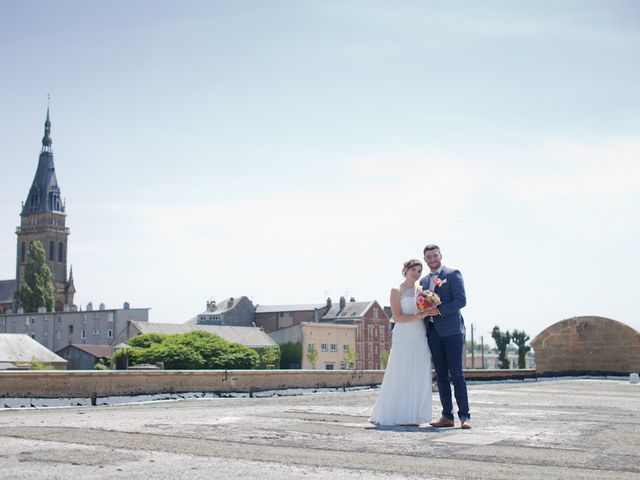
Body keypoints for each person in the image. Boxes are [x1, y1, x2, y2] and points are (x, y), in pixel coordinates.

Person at [369, 259, 432, 426]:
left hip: (419, 334)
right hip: (403, 335)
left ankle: (414, 415)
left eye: (419, 271)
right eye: (414, 270)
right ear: (405, 269)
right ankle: (396, 413)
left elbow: (425, 310)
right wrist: (419, 316)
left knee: (417, 372)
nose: (417, 274)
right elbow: (396, 317)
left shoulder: (422, 290)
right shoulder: (396, 290)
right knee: (400, 371)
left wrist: (430, 308)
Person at [420, 244, 471, 429]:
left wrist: (440, 311)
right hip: (433, 333)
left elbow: (461, 300)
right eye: (429, 257)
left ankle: (465, 416)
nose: (433, 259)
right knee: (440, 375)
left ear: (440, 255)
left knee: (456, 374)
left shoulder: (453, 274)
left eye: (435, 255)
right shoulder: (424, 282)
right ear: (425, 259)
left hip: (452, 331)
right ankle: (447, 416)